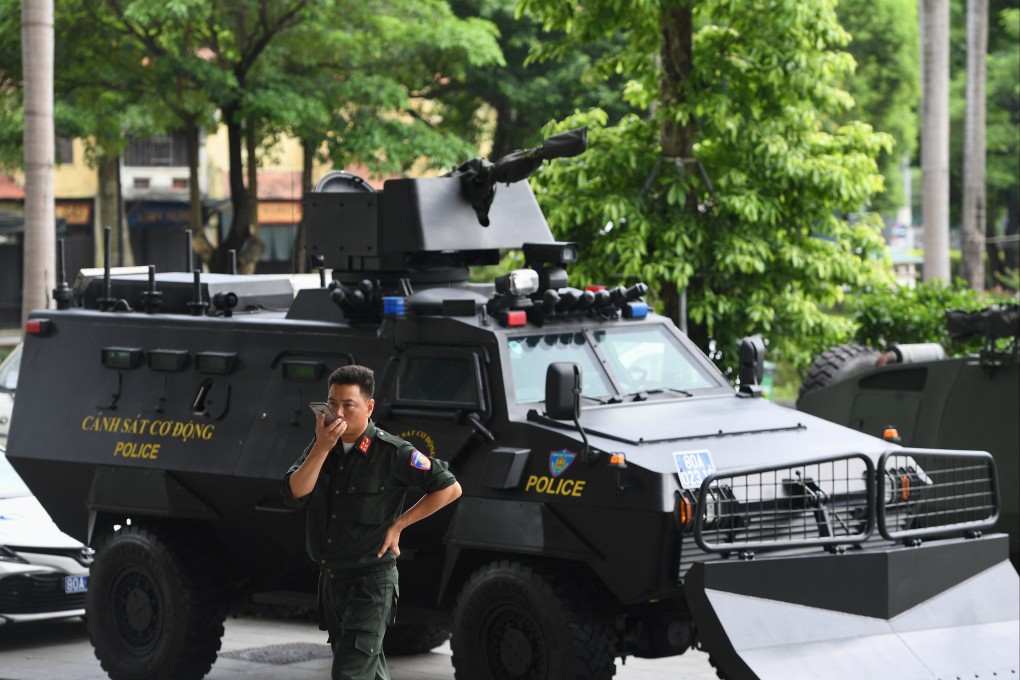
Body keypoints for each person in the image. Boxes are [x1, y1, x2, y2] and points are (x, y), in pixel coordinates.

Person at [282, 365, 462, 680]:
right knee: (368, 671)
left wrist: (400, 525)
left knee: (350, 673)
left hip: (370, 583)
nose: (338, 412)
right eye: (332, 402)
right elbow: (295, 492)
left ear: (369, 407)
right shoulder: (322, 447)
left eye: (348, 404)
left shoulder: (391, 451)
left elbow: (449, 488)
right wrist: (322, 447)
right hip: (333, 580)